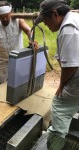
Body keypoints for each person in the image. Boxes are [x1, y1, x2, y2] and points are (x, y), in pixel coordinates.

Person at [35, 0, 79, 138]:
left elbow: (71, 66)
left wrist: (62, 84)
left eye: (46, 20)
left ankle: (56, 138)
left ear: (55, 14)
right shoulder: (74, 18)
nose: (45, 25)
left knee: (59, 104)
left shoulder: (68, 29)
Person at [0, 1, 32, 88]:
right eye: (1, 17)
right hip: (3, 61)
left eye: (6, 16)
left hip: (18, 60)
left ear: (10, 12)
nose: (4, 19)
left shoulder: (18, 21)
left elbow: (29, 30)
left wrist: (31, 39)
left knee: (20, 85)